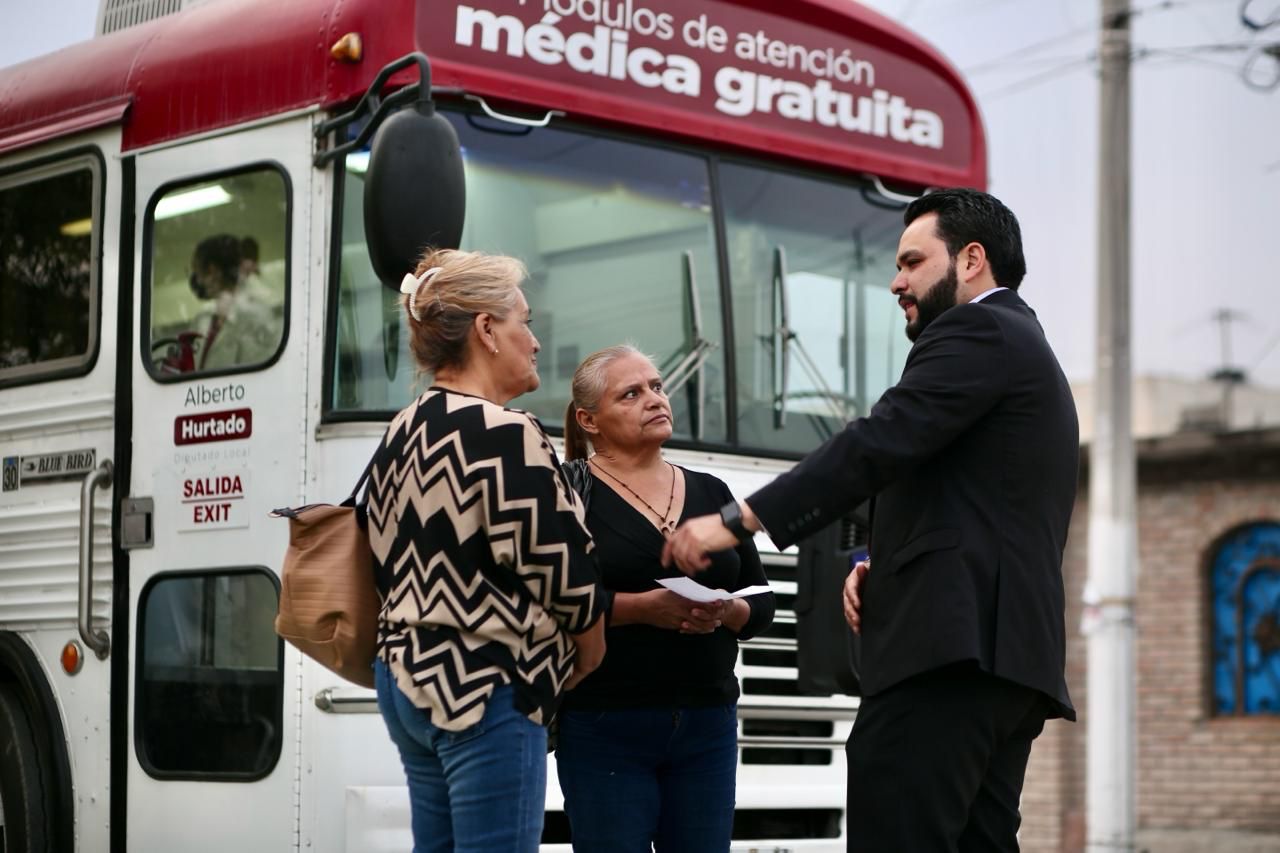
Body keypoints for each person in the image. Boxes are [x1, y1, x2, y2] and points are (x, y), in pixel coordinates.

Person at [663, 188, 1079, 852]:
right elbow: (954, 489)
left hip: (947, 656)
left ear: (972, 260)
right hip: (1001, 665)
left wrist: (739, 520)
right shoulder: (1023, 345)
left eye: (913, 261)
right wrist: (870, 563)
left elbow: (878, 440)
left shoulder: (979, 328)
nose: (896, 282)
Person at [365, 248, 606, 853]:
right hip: (486, 682)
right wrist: (590, 650)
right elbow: (566, 577)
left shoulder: (403, 428)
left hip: (405, 678)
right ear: (486, 330)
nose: (536, 342)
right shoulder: (506, 434)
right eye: (525, 322)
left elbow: (376, 557)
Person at [555, 344, 775, 853]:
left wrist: (727, 611)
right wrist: (641, 610)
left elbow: (760, 597)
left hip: (707, 723)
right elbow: (549, 600)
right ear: (589, 419)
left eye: (656, 386)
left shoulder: (711, 489)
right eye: (631, 394)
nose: (654, 399)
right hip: (604, 721)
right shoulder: (566, 493)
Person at [186, 233, 280, 370]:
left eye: (198, 271)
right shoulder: (203, 319)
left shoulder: (257, 315)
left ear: (212, 271)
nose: (197, 281)